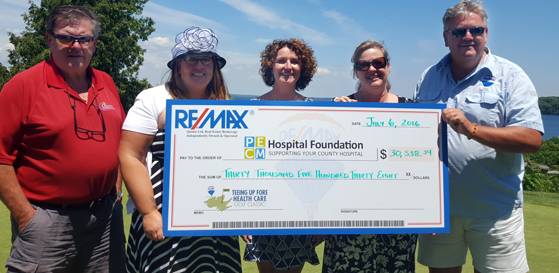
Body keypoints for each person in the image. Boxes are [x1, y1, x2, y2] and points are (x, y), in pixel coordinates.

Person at [414, 1, 544, 273]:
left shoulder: (511, 76)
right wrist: (424, 208)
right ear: (446, 38)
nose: (469, 37)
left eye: (476, 29)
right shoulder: (428, 76)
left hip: (495, 212)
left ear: (486, 33)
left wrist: (472, 129)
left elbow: (532, 139)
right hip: (441, 214)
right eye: (459, 32)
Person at [0, 5, 126, 272]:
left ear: (94, 43)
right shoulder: (24, 85)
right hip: (46, 220)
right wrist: (26, 217)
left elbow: (121, 143)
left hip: (104, 218)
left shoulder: (106, 83)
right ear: (49, 39)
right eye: (66, 37)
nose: (76, 46)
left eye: (84, 39)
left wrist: (117, 191)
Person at [119, 26, 241, 273]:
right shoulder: (151, 99)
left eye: (206, 59)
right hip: (163, 220)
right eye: (190, 58)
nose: (199, 66)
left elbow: (235, 164)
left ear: (214, 66)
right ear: (177, 66)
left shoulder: (227, 105)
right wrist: (148, 212)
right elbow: (130, 156)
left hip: (214, 220)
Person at [322, 40, 418, 273]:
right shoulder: (340, 108)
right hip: (348, 230)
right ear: (355, 71)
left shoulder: (414, 110)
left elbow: (422, 166)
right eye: (363, 65)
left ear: (388, 66)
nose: (371, 69)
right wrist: (334, 116)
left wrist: (432, 211)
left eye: (378, 62)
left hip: (396, 229)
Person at [243, 38, 321, 273]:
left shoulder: (317, 111)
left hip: (300, 213)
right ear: (270, 66)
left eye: (295, 61)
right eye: (281, 60)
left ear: (303, 68)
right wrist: (241, 216)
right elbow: (244, 165)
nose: (288, 66)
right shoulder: (251, 109)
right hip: (261, 211)